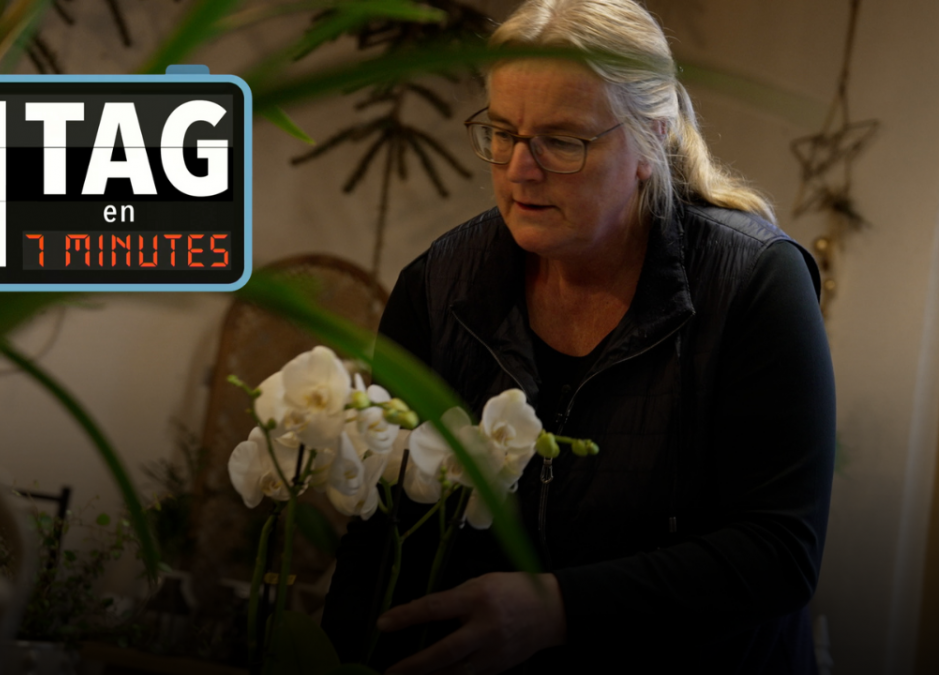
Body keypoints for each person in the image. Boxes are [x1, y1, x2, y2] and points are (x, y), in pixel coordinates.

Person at [321, 0, 835, 672]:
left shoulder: (753, 282)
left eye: (562, 141)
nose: (519, 168)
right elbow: (382, 527)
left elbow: (778, 552)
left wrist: (559, 608)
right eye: (502, 132)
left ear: (650, 141)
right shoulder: (437, 287)